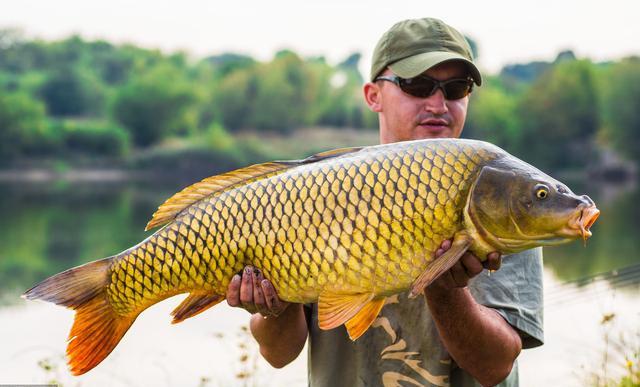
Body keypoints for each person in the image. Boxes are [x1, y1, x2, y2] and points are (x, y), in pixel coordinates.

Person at [226, 17, 544, 387]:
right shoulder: (317, 191)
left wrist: (443, 287)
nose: (438, 104)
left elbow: (494, 367)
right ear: (373, 95)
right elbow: (279, 355)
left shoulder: (500, 198)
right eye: (418, 85)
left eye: (456, 88)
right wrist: (274, 307)